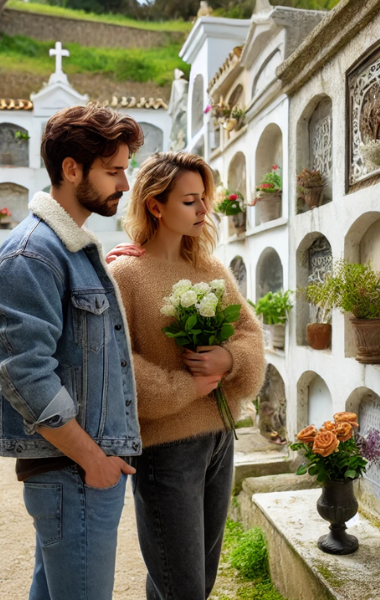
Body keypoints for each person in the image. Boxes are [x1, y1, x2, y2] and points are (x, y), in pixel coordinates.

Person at [0, 104, 144, 600]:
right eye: (113, 170)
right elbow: (24, 374)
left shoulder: (68, 246)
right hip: (74, 471)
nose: (125, 183)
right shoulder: (32, 254)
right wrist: (94, 459)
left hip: (78, 470)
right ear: (71, 169)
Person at [107, 152, 265, 600]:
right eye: (190, 201)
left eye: (204, 200)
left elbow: (250, 334)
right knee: (184, 587)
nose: (203, 211)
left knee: (197, 581)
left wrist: (229, 361)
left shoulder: (210, 268)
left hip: (219, 437)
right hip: (165, 450)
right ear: (156, 206)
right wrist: (185, 386)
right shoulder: (124, 274)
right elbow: (116, 363)